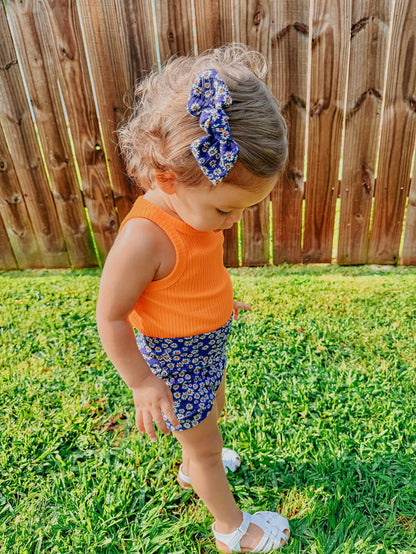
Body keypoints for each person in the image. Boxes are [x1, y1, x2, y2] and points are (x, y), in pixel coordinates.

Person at [96, 44, 290, 553]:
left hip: (207, 344)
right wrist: (142, 383)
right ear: (167, 177)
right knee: (205, 446)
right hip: (175, 363)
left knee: (213, 411)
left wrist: (220, 306)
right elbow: (111, 315)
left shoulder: (194, 209)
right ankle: (233, 529)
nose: (234, 222)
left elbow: (195, 275)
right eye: (228, 210)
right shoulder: (145, 238)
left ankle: (193, 460)